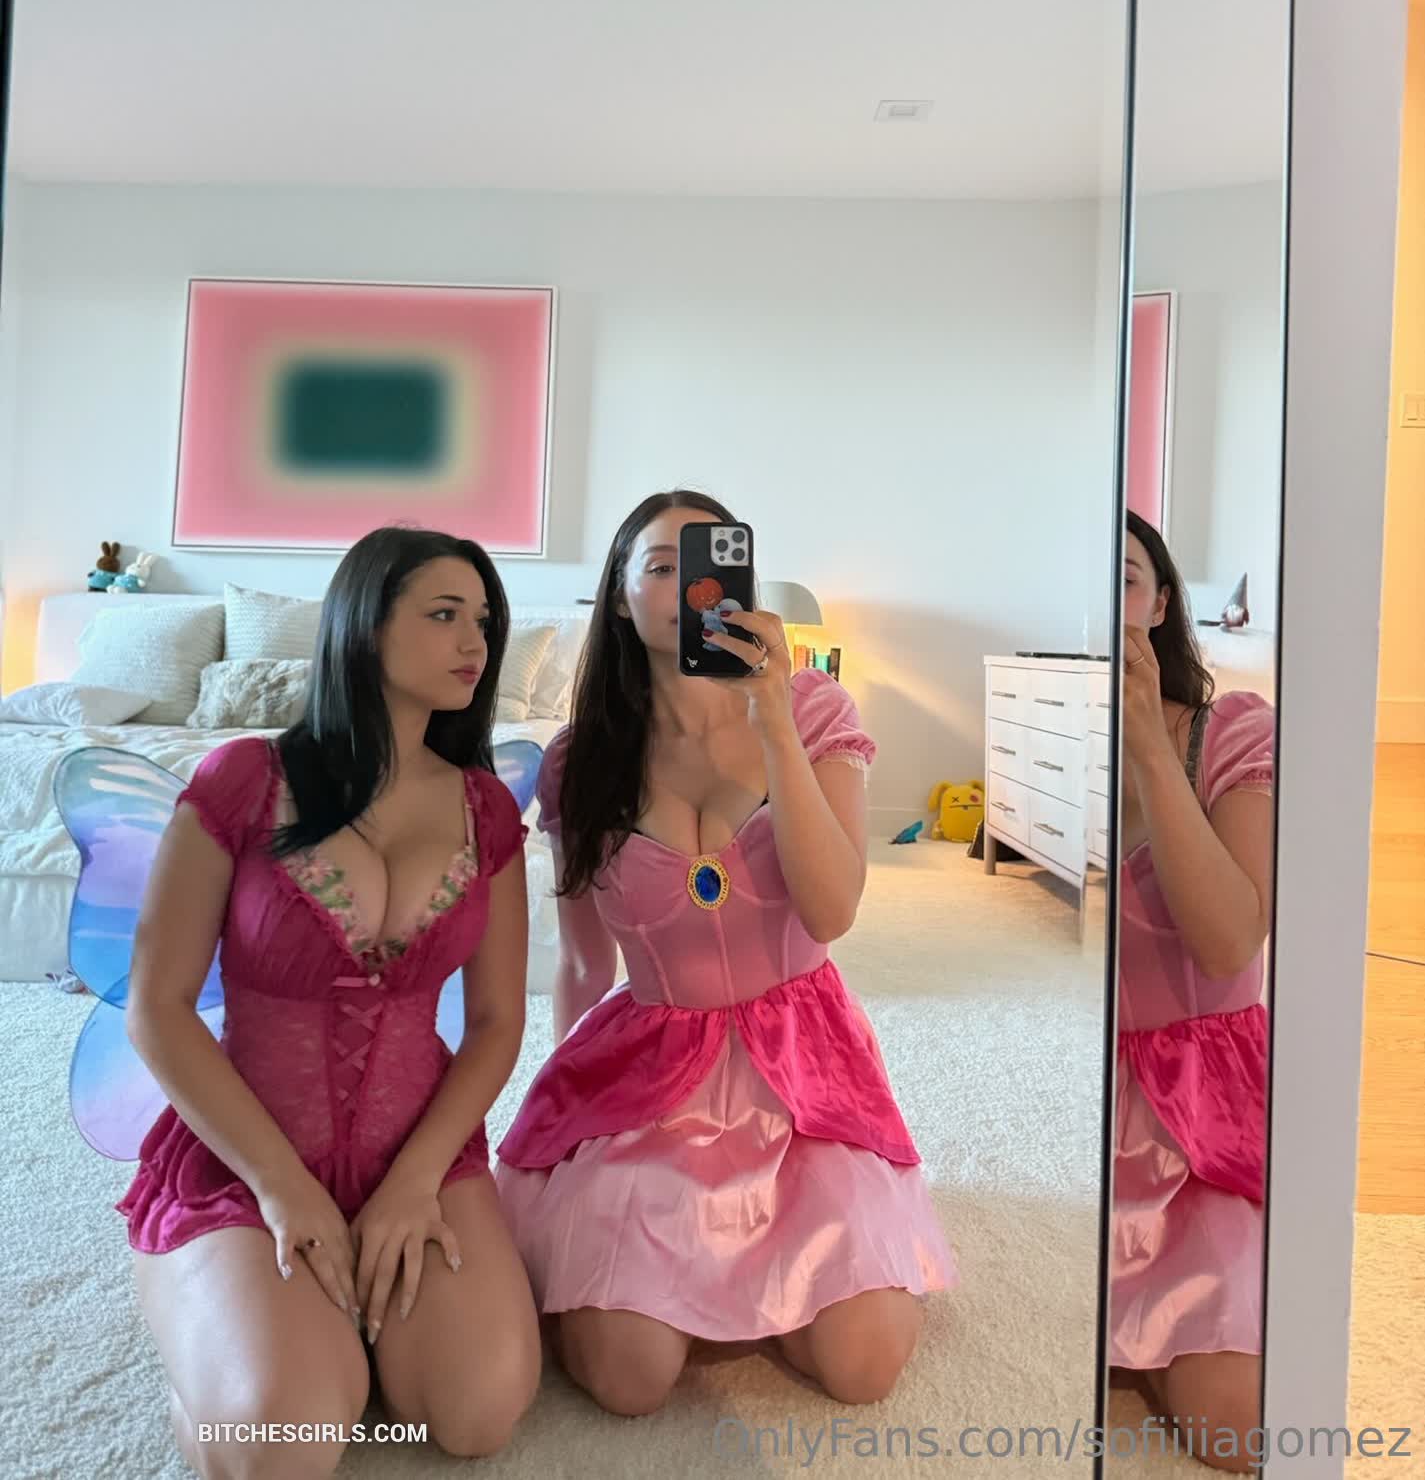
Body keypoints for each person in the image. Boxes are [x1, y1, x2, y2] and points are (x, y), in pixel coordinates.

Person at [493, 489, 955, 1418]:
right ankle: (696, 1270)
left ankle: (751, 1271)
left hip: (803, 1064)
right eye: (659, 567)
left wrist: (772, 718)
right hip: (649, 1068)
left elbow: (831, 910)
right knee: (626, 1378)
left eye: (705, 565)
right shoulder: (580, 759)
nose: (686, 587)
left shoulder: (813, 712)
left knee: (863, 1366)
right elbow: (582, 964)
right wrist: (564, 1124)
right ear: (618, 597)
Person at [119, 527, 540, 1472]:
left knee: (476, 1415)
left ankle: (333, 1334)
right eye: (443, 614)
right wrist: (280, 1187)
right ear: (362, 625)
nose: (473, 642)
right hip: (246, 1158)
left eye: (483, 620)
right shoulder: (242, 780)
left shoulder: (486, 810)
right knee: (286, 1440)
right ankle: (224, 1332)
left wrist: (416, 1181)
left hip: (419, 1153)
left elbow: (496, 1023)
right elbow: (158, 1004)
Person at [1113, 511, 1275, 1472]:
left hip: (1200, 1103)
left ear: (1160, 603)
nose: (1104, 602)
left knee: (1233, 1421)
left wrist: (1146, 746)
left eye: (1125, 579)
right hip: (1081, 1102)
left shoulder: (1230, 731)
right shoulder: (1044, 737)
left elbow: (1226, 943)